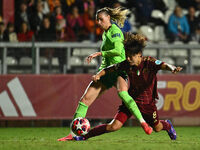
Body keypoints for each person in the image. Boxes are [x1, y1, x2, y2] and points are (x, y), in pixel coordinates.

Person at [57, 7, 152, 141]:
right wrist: (99, 73)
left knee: (123, 94)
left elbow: (118, 51)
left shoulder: (115, 32)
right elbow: (107, 60)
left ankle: (143, 123)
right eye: (97, 20)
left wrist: (99, 53)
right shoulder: (105, 33)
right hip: (108, 71)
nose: (99, 23)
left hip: (119, 70)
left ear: (109, 18)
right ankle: (73, 135)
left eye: (101, 19)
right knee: (85, 100)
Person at [73, 33, 182, 141]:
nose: (128, 58)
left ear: (139, 54)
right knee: (113, 126)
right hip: (131, 101)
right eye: (127, 55)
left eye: (131, 56)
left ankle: (167, 125)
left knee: (157, 128)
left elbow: (164, 65)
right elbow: (109, 69)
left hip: (148, 104)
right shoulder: (126, 64)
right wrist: (98, 75)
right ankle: (84, 136)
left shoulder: (150, 62)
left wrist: (172, 68)